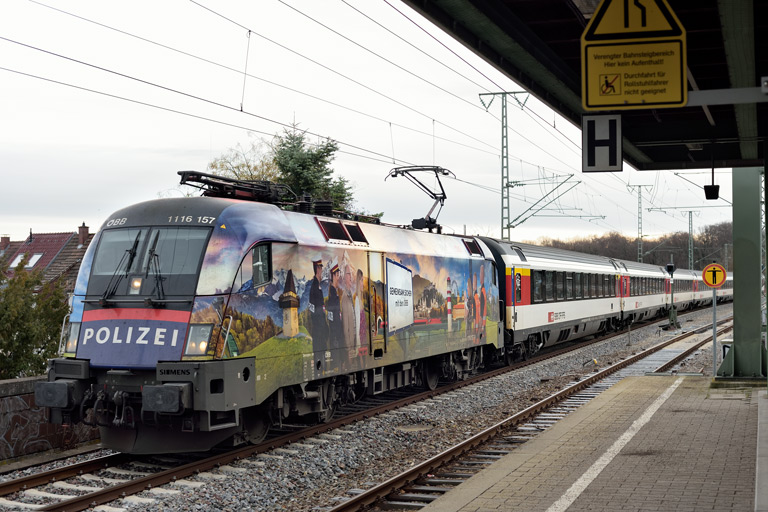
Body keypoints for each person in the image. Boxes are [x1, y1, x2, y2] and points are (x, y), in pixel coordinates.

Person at [309, 259, 328, 353]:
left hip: (320, 331)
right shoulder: (314, 288)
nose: (322, 271)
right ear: (318, 269)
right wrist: (321, 328)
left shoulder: (317, 286)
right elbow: (314, 312)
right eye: (321, 268)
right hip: (318, 332)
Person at [327, 263, 343, 350]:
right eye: (337, 275)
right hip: (336, 338)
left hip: (335, 336)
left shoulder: (333, 293)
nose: (338, 278)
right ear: (333, 276)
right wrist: (336, 338)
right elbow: (333, 319)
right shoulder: (333, 295)